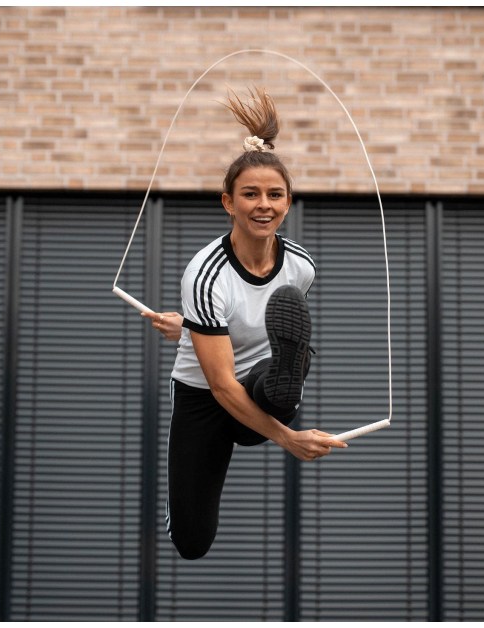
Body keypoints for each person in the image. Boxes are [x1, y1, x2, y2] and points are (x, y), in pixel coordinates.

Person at [141, 87, 347, 560]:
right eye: (249, 194)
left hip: (261, 382)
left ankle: (289, 373)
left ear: (288, 203)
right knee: (191, 541)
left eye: (275, 195)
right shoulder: (205, 273)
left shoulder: (301, 266)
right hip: (204, 395)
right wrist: (289, 439)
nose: (263, 204)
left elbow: (256, 323)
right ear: (228, 203)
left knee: (274, 386)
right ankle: (285, 384)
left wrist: (197, 326)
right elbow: (218, 385)